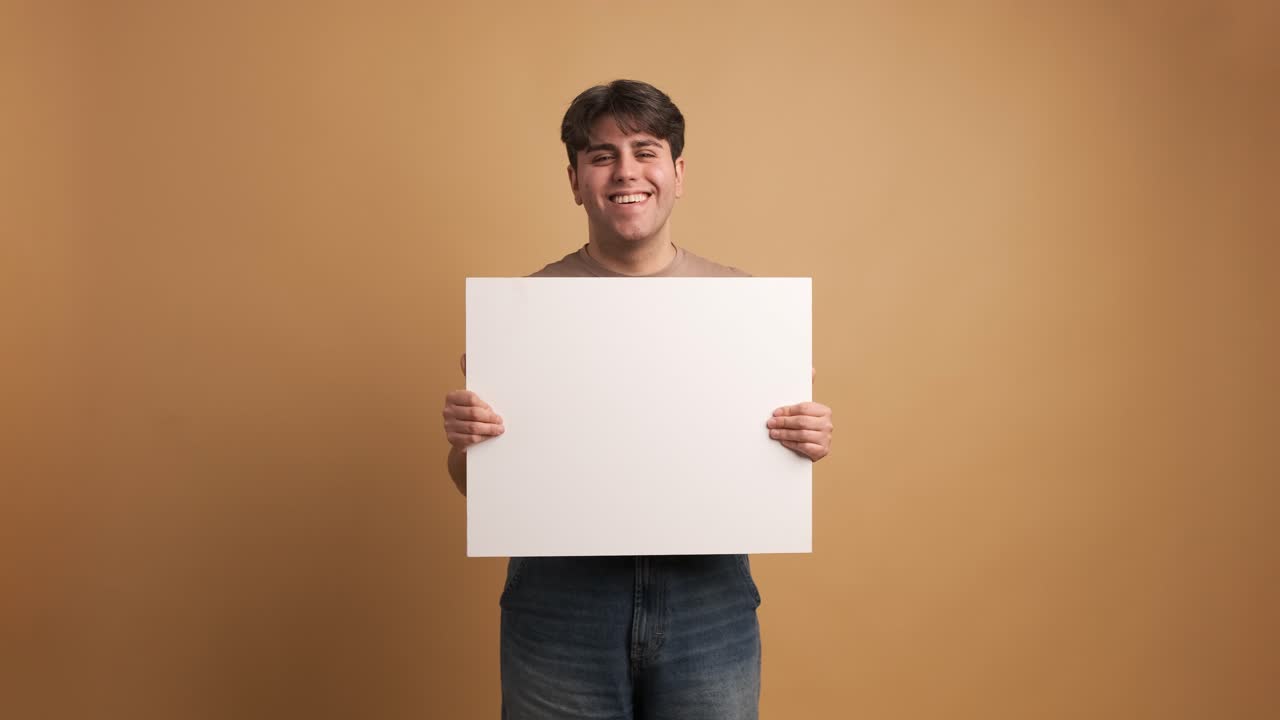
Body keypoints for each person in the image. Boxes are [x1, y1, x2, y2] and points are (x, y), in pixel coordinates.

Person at [442, 80, 834, 720]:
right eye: (602, 155)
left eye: (645, 151)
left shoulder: (744, 304)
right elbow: (471, 481)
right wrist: (469, 445)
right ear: (575, 179)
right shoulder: (524, 308)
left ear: (677, 172)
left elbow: (777, 455)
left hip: (707, 596)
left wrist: (806, 440)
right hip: (559, 599)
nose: (626, 171)